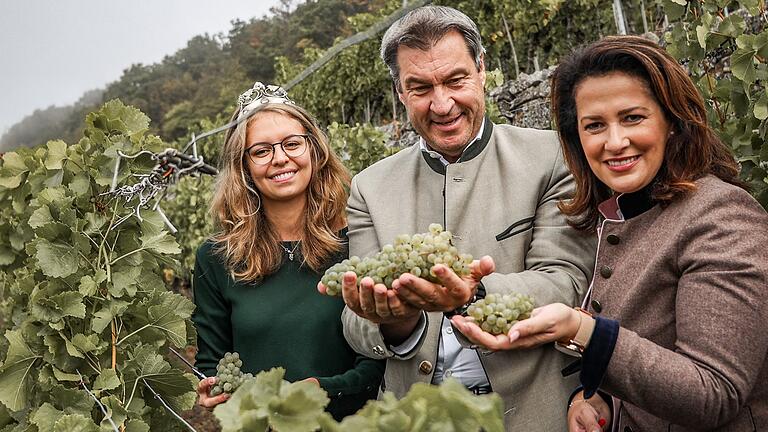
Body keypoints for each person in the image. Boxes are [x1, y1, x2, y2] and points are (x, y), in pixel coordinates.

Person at [451, 35, 768, 431]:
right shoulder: (619, 214)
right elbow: (647, 350)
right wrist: (596, 397)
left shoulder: (722, 217)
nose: (615, 142)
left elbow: (713, 393)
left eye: (633, 117)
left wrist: (582, 332)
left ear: (672, 121)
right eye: (595, 125)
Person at [321, 6, 596, 430]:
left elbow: (566, 280)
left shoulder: (551, 158)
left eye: (455, 79)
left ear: (482, 69)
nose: (442, 103)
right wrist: (396, 321)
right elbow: (356, 323)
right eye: (420, 87)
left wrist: (474, 293)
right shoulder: (368, 188)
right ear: (399, 92)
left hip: (533, 414)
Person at [192, 82, 384, 420]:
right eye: (262, 150)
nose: (280, 158)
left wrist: (322, 390)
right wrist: (213, 386)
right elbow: (213, 361)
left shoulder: (359, 240)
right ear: (244, 166)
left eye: (292, 144)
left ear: (313, 150)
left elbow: (379, 355)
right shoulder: (216, 258)